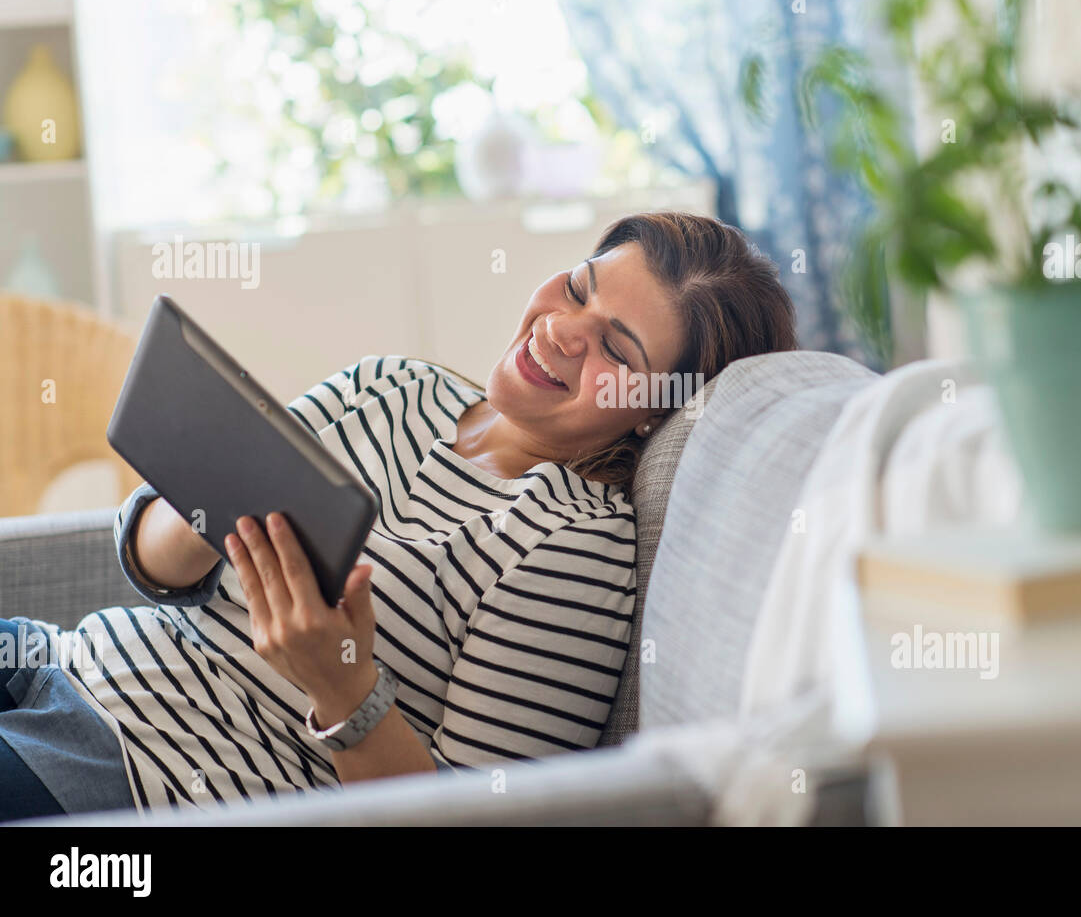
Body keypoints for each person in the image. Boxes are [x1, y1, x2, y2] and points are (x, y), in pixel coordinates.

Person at [0, 212, 798, 820]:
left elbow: (459, 815)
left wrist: (343, 687)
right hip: (55, 658)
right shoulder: (395, 384)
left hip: (133, 771)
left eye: (616, 351)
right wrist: (199, 500)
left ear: (649, 415)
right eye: (580, 287)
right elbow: (151, 568)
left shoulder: (577, 550)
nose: (560, 328)